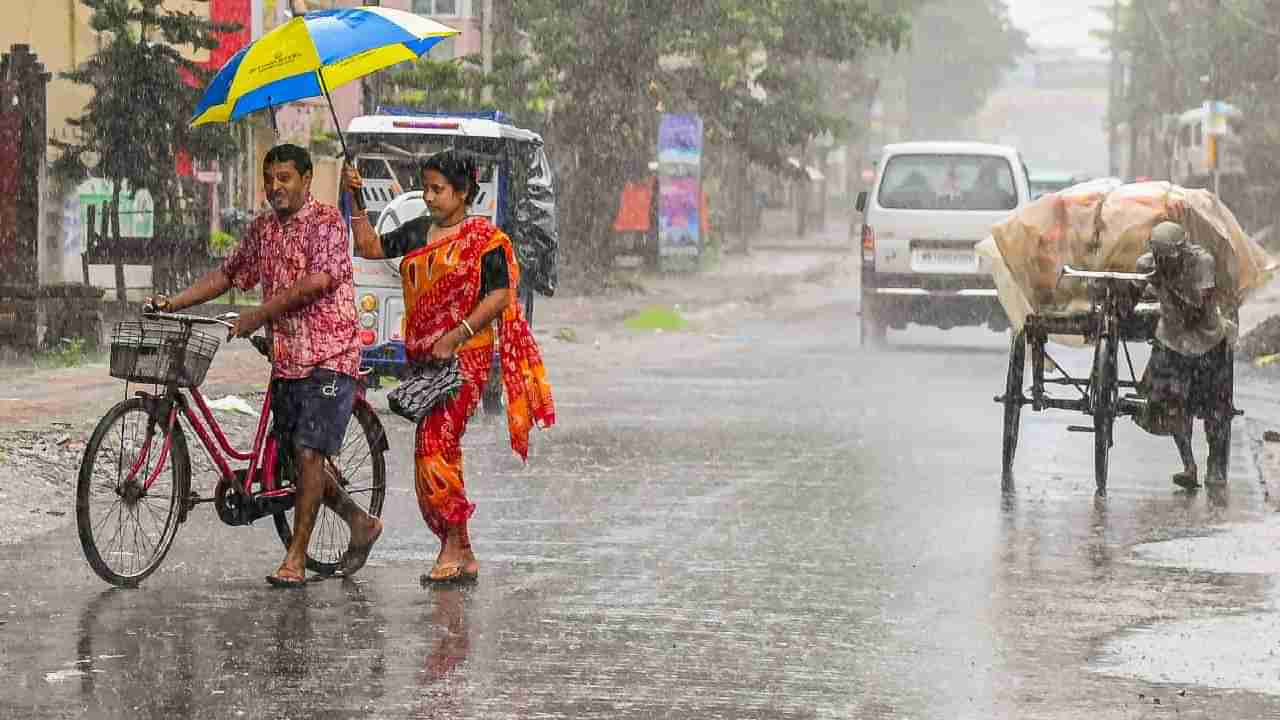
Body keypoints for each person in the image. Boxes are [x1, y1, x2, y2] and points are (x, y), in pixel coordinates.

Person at [147, 143, 383, 587]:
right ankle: (360, 521)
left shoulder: (327, 222)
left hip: (330, 355)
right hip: (286, 358)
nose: (275, 187)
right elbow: (227, 275)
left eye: (285, 178)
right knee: (297, 461)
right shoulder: (263, 230)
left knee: (310, 452)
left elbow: (317, 283)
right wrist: (172, 302)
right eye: (269, 179)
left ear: (307, 179)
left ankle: (296, 557)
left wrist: (257, 315)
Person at [343, 149, 555, 584]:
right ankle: (462, 548)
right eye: (427, 187)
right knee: (434, 449)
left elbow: (499, 296)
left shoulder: (485, 240)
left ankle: (451, 546)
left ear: (463, 193)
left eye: (438, 189)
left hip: (466, 357)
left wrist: (456, 334)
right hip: (425, 360)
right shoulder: (421, 231)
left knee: (435, 447)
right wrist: (357, 199)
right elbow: (369, 247)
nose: (429, 196)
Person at [1134, 220, 1237, 490]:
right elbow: (1134, 294)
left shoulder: (1202, 263)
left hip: (1207, 341)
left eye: (1166, 259)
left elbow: (1196, 311)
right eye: (1157, 257)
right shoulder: (1148, 264)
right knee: (1172, 405)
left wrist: (1165, 283)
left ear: (1181, 252)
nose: (1161, 263)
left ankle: (1215, 465)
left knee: (1216, 408)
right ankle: (1188, 465)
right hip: (1172, 340)